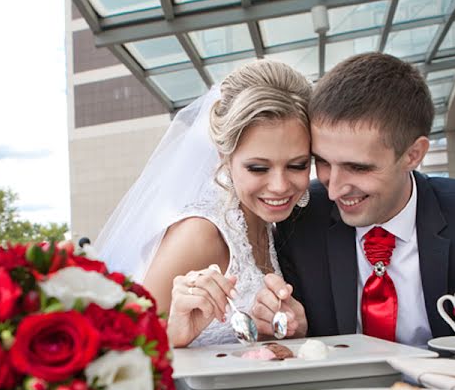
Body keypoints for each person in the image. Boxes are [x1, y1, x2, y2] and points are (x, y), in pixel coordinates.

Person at [252, 52, 455, 347]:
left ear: (413, 155)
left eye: (358, 167)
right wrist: (293, 329)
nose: (334, 190)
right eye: (322, 162)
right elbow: (299, 344)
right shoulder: (303, 217)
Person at [96, 60, 312, 348]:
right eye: (258, 168)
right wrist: (174, 338)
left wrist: (292, 334)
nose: (280, 186)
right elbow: (122, 350)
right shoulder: (199, 235)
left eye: (297, 165)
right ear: (225, 157)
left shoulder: (272, 224)